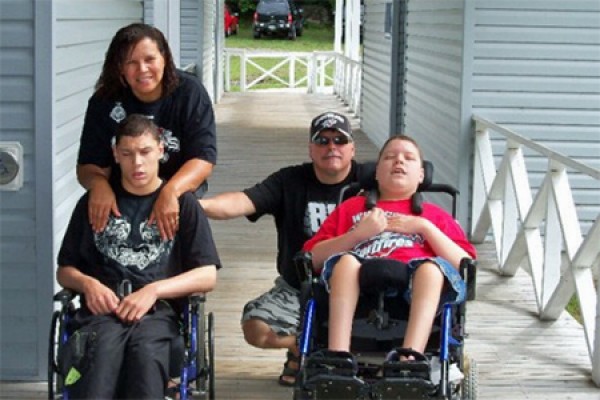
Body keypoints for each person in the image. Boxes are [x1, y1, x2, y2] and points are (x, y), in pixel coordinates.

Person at [57, 114, 221, 399]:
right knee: (99, 360)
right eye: (127, 154)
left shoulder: (184, 204)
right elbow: (65, 270)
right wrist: (87, 284)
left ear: (160, 149)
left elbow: (207, 275)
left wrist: (154, 291)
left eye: (145, 152)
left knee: (146, 356)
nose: (137, 163)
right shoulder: (93, 203)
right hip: (102, 312)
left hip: (157, 314)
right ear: (115, 155)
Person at [200, 111, 369, 385]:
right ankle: (306, 346)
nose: (331, 147)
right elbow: (242, 202)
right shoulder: (290, 180)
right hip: (300, 285)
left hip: (361, 284)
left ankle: (312, 353)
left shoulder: (371, 181)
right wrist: (198, 207)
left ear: (352, 147)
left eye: (340, 140)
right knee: (256, 328)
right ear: (311, 149)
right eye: (323, 141)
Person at [303, 134, 477, 356]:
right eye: (390, 157)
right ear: (376, 172)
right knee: (346, 262)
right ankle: (338, 354)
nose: (399, 161)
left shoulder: (435, 216)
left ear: (421, 174)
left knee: (431, 270)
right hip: (357, 282)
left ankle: (410, 357)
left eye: (409, 158)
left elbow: (465, 265)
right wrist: (356, 235)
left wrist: (425, 228)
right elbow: (312, 257)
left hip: (417, 285)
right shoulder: (351, 208)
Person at [77, 23, 217, 242]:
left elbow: (203, 159)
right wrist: (98, 184)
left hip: (179, 196)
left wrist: (170, 192)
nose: (142, 69)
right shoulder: (104, 101)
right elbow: (88, 165)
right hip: (121, 203)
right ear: (119, 67)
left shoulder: (189, 93)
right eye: (131, 62)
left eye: (149, 59)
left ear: (164, 58)